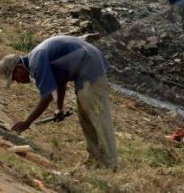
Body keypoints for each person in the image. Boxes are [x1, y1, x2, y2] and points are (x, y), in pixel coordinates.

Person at [0, 36, 118, 170]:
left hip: (89, 65)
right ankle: (95, 159)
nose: (18, 82)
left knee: (98, 116)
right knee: (85, 117)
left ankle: (110, 164)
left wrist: (27, 122)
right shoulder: (37, 59)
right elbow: (59, 83)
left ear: (18, 69)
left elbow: (47, 96)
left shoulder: (36, 61)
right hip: (86, 63)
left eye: (14, 78)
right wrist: (59, 108)